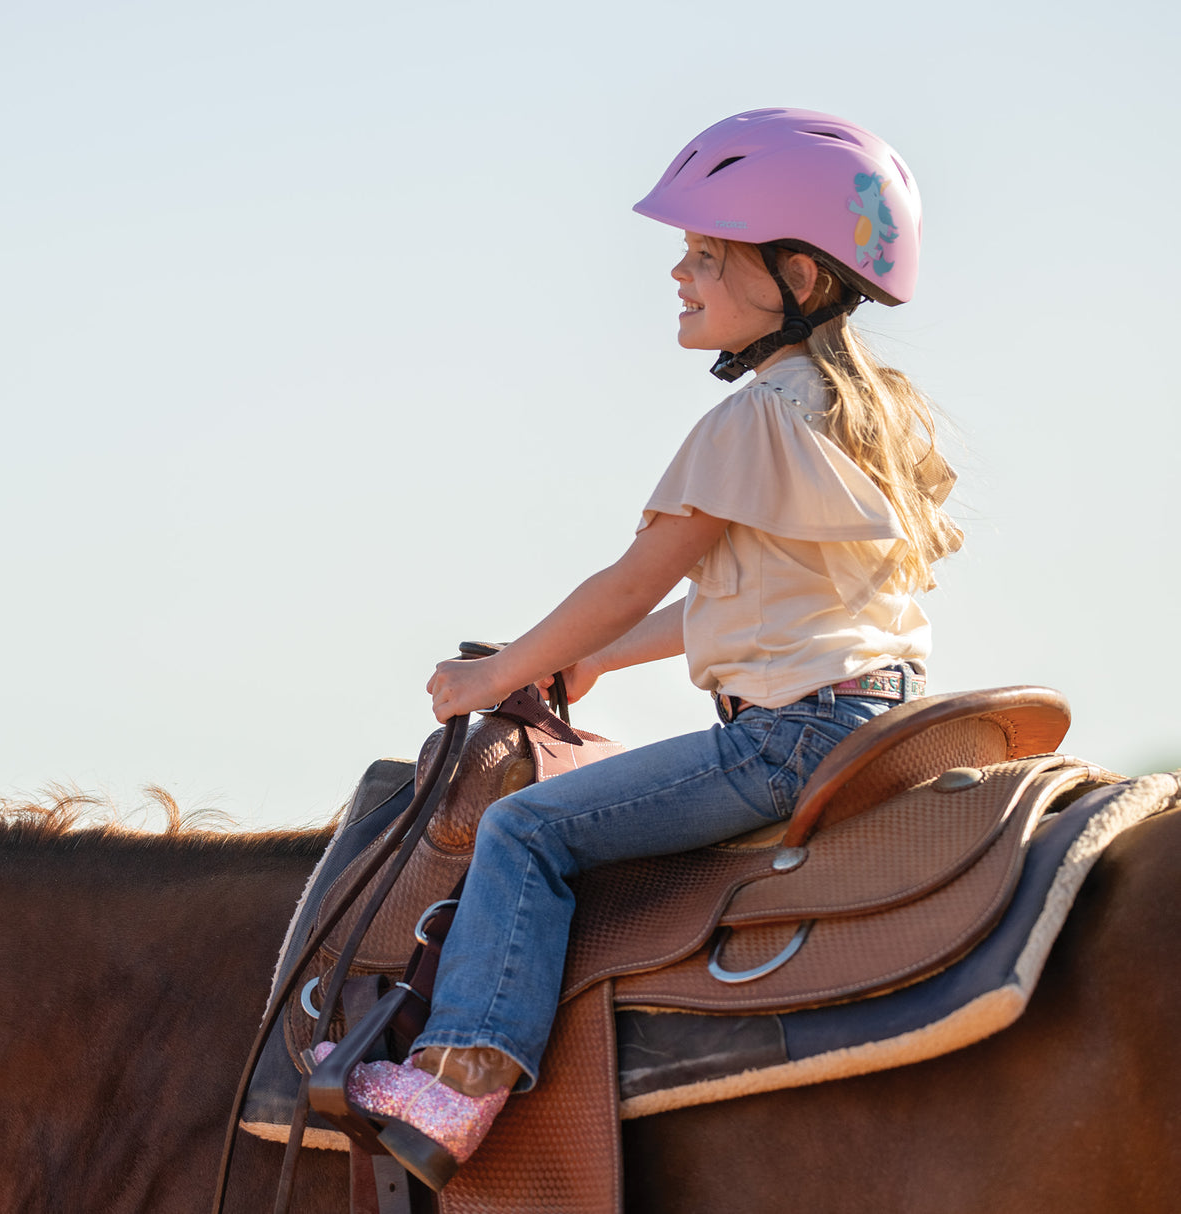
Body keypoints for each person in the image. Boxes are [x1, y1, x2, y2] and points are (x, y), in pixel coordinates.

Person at [329, 108, 961, 1190]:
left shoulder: (752, 421)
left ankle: (462, 1075)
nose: (678, 273)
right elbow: (750, 607)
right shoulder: (862, 413)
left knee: (525, 829)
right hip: (873, 713)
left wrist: (494, 673)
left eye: (707, 253)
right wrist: (593, 661)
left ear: (798, 276)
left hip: (787, 737)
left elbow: (634, 580)